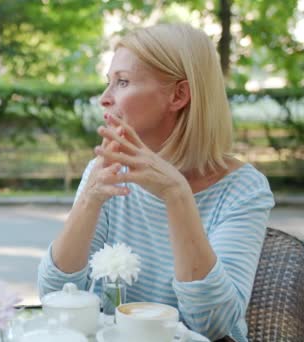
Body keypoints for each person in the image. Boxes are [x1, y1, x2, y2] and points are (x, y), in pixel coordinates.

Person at [38, 23, 274, 342]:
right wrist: (88, 201)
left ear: (178, 95)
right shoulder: (105, 171)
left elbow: (214, 326)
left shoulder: (242, 190)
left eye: (122, 82)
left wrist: (175, 194)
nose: (104, 99)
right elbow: (54, 298)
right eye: (109, 83)